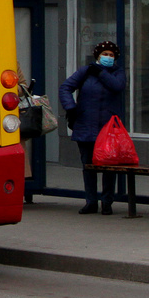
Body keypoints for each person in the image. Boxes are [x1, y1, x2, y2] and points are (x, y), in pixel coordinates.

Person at [59, 40, 127, 215]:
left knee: (109, 166)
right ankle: (91, 201)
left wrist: (101, 73)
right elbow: (65, 87)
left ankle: (107, 202)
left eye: (111, 55)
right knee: (88, 165)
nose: (108, 57)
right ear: (98, 55)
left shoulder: (118, 72)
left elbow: (117, 86)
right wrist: (70, 108)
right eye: (105, 54)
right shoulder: (85, 71)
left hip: (109, 128)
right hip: (85, 125)